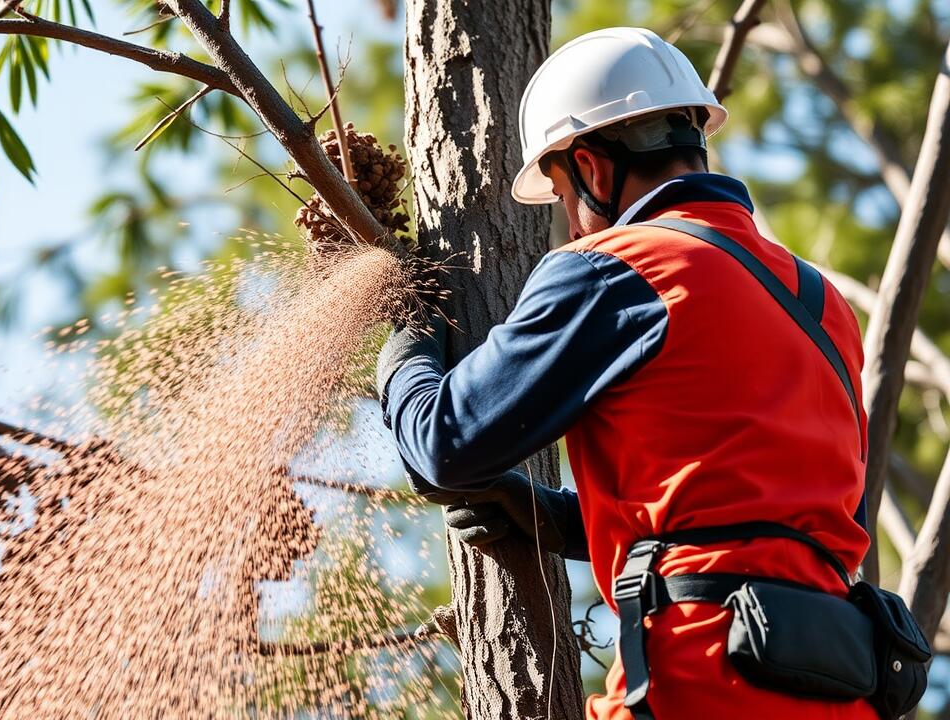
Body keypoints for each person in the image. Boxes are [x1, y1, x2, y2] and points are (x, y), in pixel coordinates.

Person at [375, 27, 876, 720]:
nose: (571, 225)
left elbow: (443, 446)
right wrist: (561, 520)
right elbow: (770, 513)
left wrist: (407, 338)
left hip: (701, 682)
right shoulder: (825, 306)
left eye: (559, 191)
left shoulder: (621, 266)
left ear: (593, 168)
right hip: (843, 689)